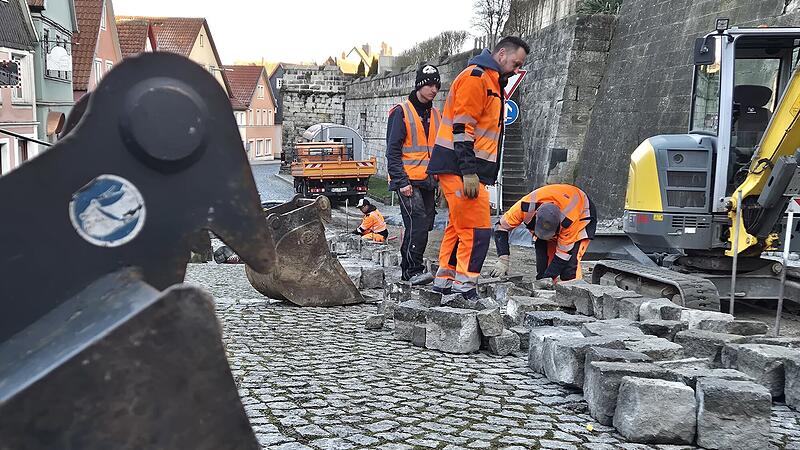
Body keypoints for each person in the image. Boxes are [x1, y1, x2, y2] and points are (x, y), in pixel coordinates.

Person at [426, 36, 530, 298]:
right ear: (501, 54)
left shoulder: (490, 81)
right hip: (461, 169)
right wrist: (469, 171)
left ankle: (445, 282)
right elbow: (463, 128)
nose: (516, 69)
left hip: (460, 168)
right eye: (516, 63)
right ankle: (464, 288)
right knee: (477, 231)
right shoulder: (477, 78)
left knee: (458, 228)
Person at [386, 63, 442, 285]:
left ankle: (408, 269)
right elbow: (392, 151)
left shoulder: (436, 115)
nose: (434, 90)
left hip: (428, 180)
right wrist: (401, 181)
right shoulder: (401, 112)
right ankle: (413, 270)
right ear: (419, 85)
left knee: (423, 225)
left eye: (437, 86)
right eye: (430, 85)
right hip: (408, 181)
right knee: (417, 223)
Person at [490, 184, 597, 283]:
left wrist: (547, 279)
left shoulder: (569, 222)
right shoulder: (525, 206)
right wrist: (503, 260)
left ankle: (574, 291)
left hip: (582, 214)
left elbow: (563, 254)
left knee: (569, 269)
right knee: (543, 266)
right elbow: (501, 227)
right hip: (555, 208)